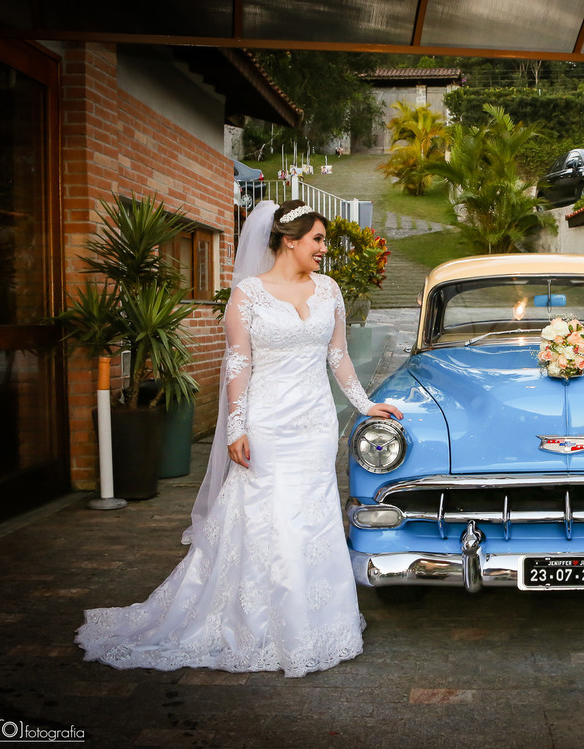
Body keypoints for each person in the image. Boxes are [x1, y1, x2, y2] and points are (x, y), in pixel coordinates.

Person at [76, 199, 403, 676]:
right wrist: (235, 427)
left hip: (314, 424)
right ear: (289, 241)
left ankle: (318, 623)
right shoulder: (248, 294)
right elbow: (238, 364)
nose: (323, 250)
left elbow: (338, 358)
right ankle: (255, 623)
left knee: (311, 519)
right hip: (266, 423)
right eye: (317, 240)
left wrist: (365, 404)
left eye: (324, 241)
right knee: (264, 515)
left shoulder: (329, 290)